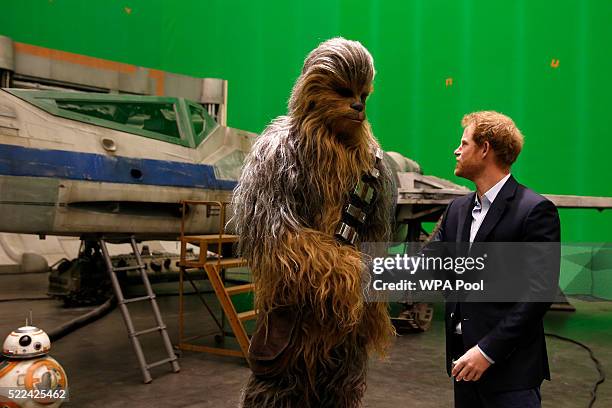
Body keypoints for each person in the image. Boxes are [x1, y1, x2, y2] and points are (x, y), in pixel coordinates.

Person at [434, 111, 560, 408]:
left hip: (510, 376)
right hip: (463, 367)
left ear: (485, 149)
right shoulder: (457, 210)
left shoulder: (535, 211)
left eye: (464, 143)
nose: (457, 150)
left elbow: (538, 295)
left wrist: (487, 351)